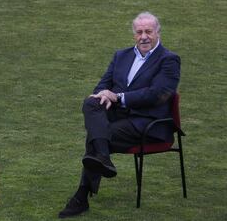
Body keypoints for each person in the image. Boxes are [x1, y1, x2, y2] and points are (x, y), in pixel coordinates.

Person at [58, 12, 181, 218]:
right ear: (134, 34)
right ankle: (103, 159)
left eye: (149, 32)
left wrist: (118, 97)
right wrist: (103, 94)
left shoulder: (169, 60)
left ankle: (81, 197)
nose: (144, 36)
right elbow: (103, 85)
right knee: (91, 103)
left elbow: (158, 94)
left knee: (97, 138)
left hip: (149, 123)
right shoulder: (121, 56)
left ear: (158, 33)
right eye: (139, 32)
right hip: (120, 117)